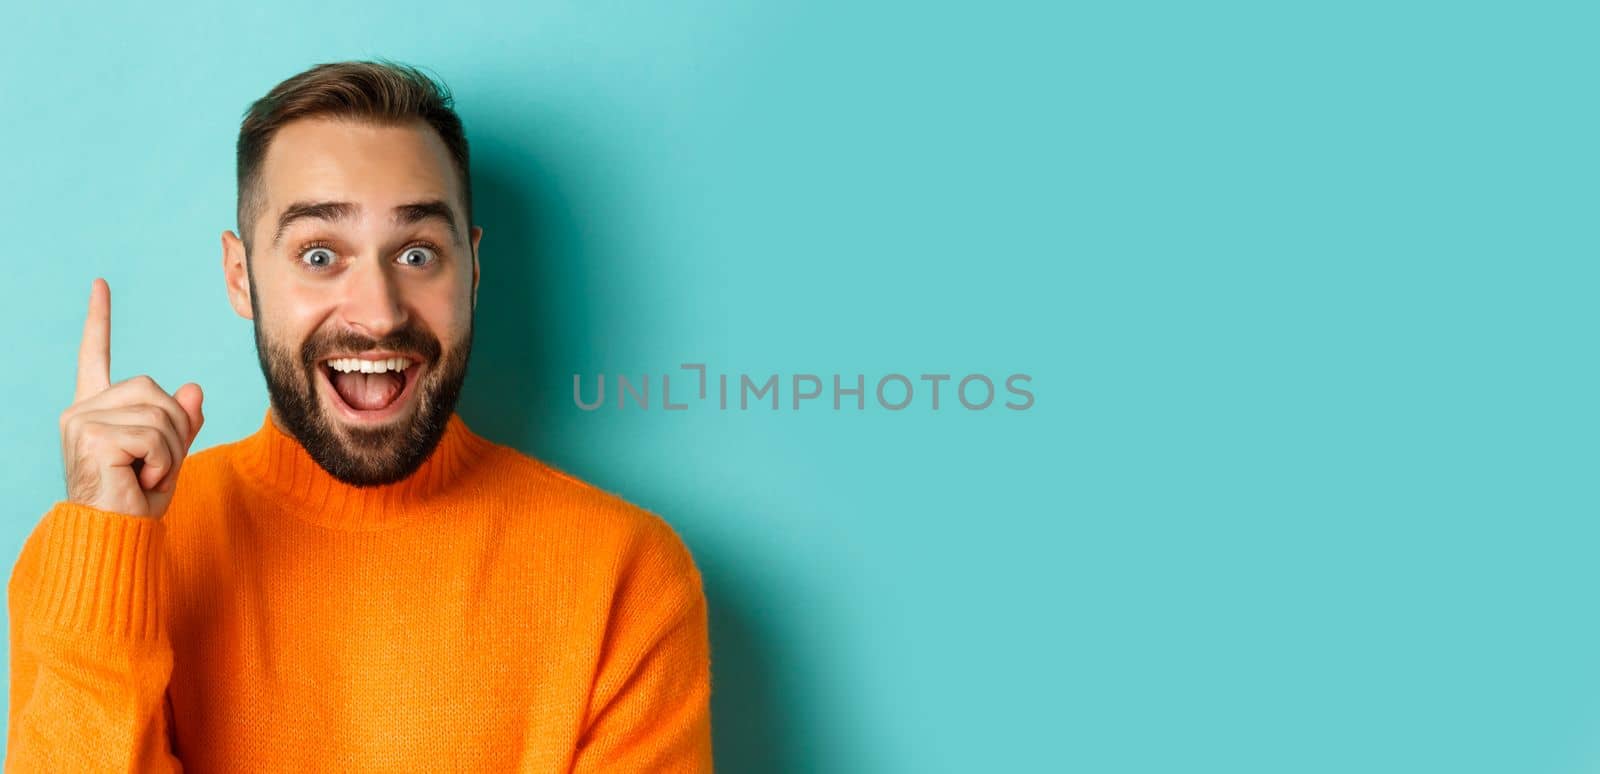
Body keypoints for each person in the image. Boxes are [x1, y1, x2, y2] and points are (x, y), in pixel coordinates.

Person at [5, 60, 713, 772]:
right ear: (240, 275)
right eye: (319, 254)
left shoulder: (624, 577)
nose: (377, 313)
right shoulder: (95, 564)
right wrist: (105, 554)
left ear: (471, 269)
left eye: (416, 253)